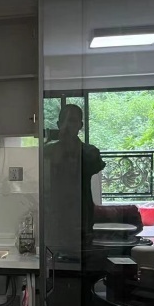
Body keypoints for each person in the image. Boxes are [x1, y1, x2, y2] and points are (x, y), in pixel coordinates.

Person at [43, 104, 105, 254]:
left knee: (82, 258)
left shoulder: (90, 152)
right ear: (58, 124)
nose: (67, 125)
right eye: (64, 121)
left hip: (81, 215)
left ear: (80, 125)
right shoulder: (48, 151)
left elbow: (92, 165)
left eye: (72, 121)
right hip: (55, 215)